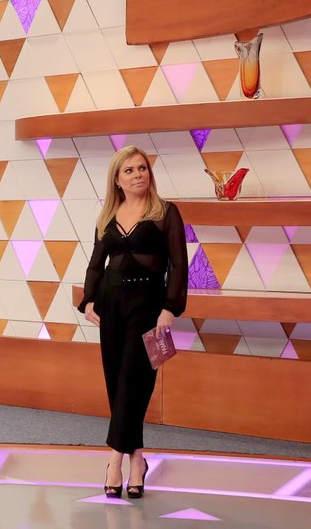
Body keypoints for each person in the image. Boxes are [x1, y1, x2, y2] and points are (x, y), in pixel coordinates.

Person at [79, 145, 189, 498]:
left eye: (142, 168)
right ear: (117, 179)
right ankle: (137, 459)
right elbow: (96, 261)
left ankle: (114, 462)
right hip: (111, 305)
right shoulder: (108, 215)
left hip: (148, 308)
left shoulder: (166, 212)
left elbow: (179, 264)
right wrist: (88, 299)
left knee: (133, 381)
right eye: (129, 170)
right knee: (117, 382)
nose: (138, 174)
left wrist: (170, 308)